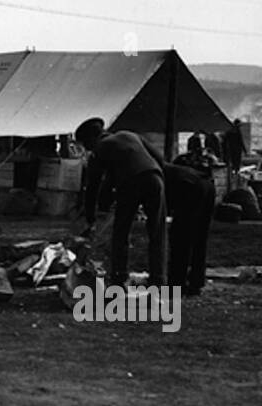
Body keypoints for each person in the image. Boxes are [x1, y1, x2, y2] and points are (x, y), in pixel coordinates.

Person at [74, 117, 166, 286]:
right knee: (157, 232)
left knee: (121, 233)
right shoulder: (129, 135)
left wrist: (90, 218)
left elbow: (93, 187)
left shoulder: (99, 149)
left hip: (130, 183)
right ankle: (158, 278)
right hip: (155, 177)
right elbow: (159, 158)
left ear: (90, 139)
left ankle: (119, 277)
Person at [163, 161, 216, 295]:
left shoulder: (146, 174)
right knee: (199, 237)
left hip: (189, 188)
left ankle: (177, 284)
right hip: (206, 184)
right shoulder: (159, 165)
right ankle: (196, 282)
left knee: (180, 238)